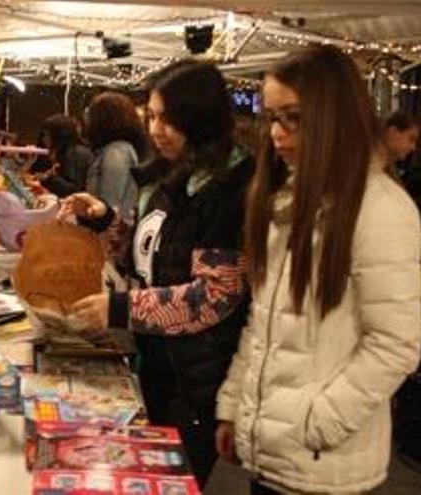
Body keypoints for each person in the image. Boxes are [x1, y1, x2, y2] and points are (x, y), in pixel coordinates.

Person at [215, 44, 421, 495]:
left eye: (294, 118)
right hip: (272, 454)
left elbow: (396, 344)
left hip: (323, 464)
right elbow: (264, 322)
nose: (278, 134)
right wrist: (235, 406)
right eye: (272, 117)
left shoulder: (380, 208)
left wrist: (316, 424)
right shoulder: (288, 201)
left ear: (334, 117)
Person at [62, 60, 254, 488]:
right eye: (151, 115)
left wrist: (120, 308)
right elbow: (152, 255)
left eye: (169, 118)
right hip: (159, 366)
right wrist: (104, 218)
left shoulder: (230, 187)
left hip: (196, 379)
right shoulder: (173, 171)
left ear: (199, 117)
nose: (156, 128)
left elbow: (214, 297)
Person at [83, 91, 148, 217]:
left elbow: (110, 204)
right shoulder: (117, 149)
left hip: (109, 232)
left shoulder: (116, 151)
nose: (87, 120)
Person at [32, 114, 94, 198]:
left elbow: (73, 189)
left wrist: (47, 178)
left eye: (46, 135)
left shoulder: (73, 154)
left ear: (57, 135)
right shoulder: (71, 151)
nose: (44, 139)